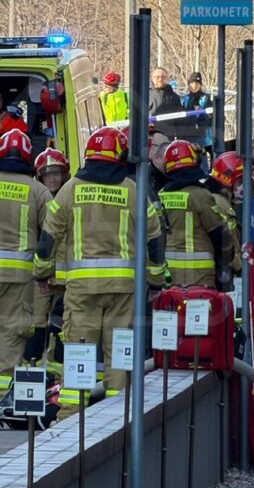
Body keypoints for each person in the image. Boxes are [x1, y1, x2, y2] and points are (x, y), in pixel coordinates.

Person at [32, 127, 166, 419]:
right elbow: (154, 238)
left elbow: (49, 236)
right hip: (124, 291)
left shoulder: (70, 189)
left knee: (79, 352)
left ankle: (69, 418)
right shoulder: (133, 190)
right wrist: (155, 281)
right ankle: (119, 417)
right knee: (120, 354)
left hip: (82, 291)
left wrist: (42, 274)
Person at [0, 130, 51, 396]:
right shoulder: (39, 191)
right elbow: (52, 233)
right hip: (19, 277)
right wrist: (45, 272)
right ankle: (1, 392)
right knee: (11, 331)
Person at [159, 140, 233, 290]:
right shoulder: (200, 195)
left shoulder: (160, 195)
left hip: (167, 275)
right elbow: (220, 234)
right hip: (198, 276)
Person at [24, 148, 70, 376]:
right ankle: (29, 372)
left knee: (61, 327)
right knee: (36, 325)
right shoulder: (38, 199)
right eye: (47, 174)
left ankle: (55, 374)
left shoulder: (71, 198)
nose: (52, 178)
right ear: (39, 177)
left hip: (67, 280)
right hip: (42, 278)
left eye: (56, 173)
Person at [206, 151, 244, 276]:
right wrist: (241, 267)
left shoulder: (212, 197)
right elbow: (230, 244)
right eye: (241, 181)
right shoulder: (222, 205)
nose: (244, 186)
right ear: (229, 179)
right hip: (219, 273)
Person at [182, 72, 212, 156]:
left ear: (200, 85)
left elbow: (211, 116)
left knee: (201, 158)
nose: (194, 85)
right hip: (186, 133)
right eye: (192, 83)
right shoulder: (186, 98)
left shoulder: (206, 98)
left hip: (201, 134)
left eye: (197, 83)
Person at [149, 67, 183, 139]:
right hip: (150, 136)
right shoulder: (146, 95)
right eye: (157, 77)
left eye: (163, 77)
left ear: (167, 78)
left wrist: (179, 138)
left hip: (168, 137)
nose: (160, 79)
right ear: (152, 78)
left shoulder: (174, 97)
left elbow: (179, 120)